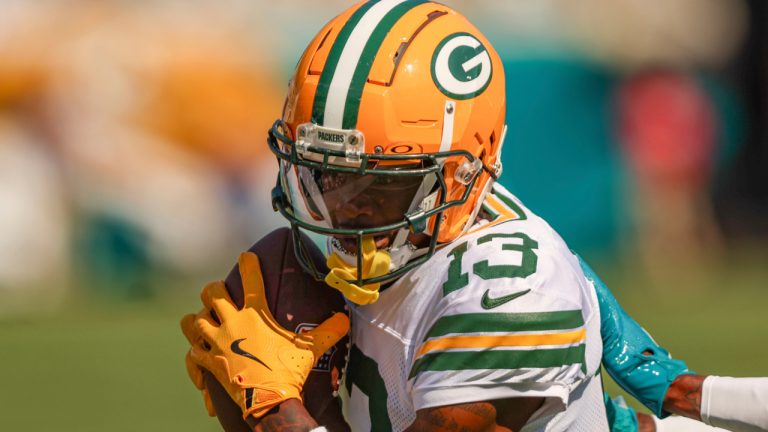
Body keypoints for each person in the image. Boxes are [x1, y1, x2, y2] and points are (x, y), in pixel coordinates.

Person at [181, 1, 768, 431]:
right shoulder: (414, 230)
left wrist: (276, 412)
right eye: (324, 176)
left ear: (465, 173)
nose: (344, 210)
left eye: (380, 186)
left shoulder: (506, 284)